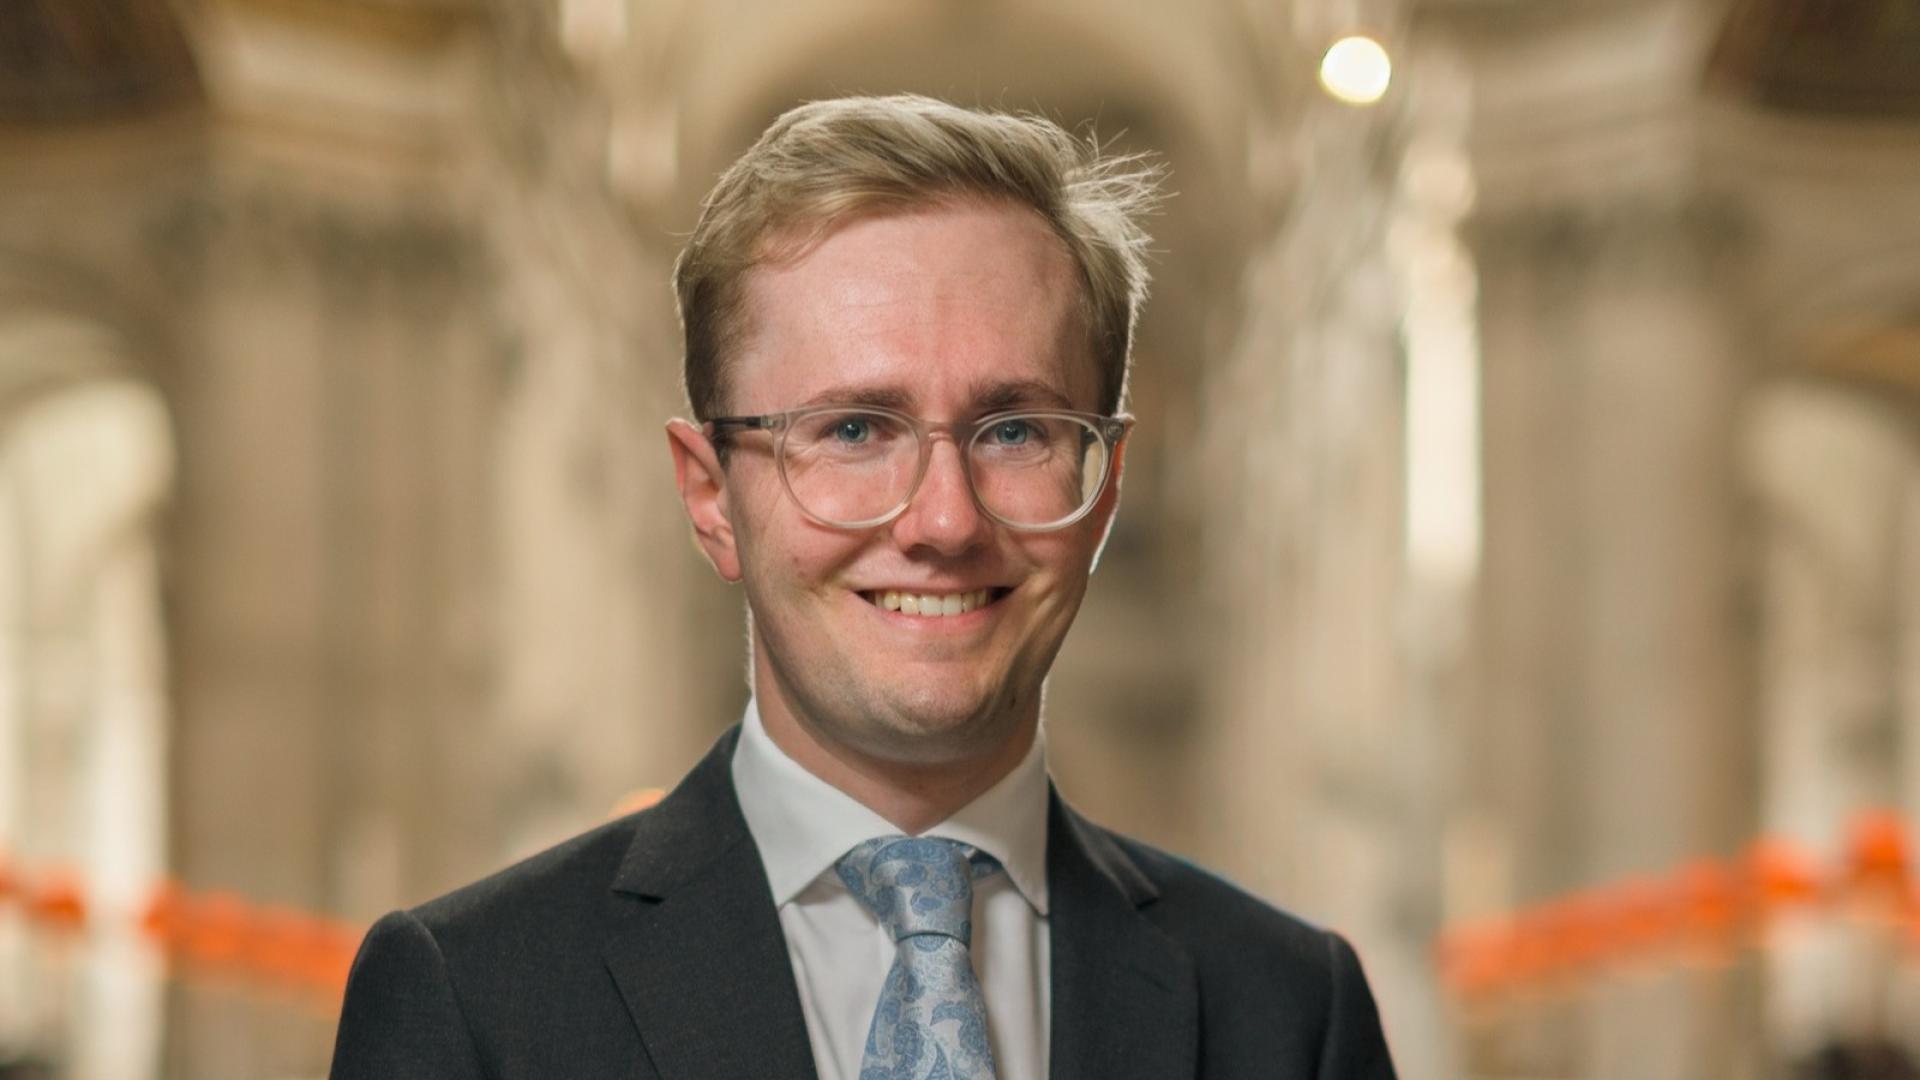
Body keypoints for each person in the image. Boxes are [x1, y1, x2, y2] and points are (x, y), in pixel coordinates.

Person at [329, 93, 1396, 1080]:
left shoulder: (1292, 1014)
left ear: (1104, 490)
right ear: (709, 498)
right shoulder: (470, 1002)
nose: (944, 521)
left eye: (1015, 429)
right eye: (851, 429)